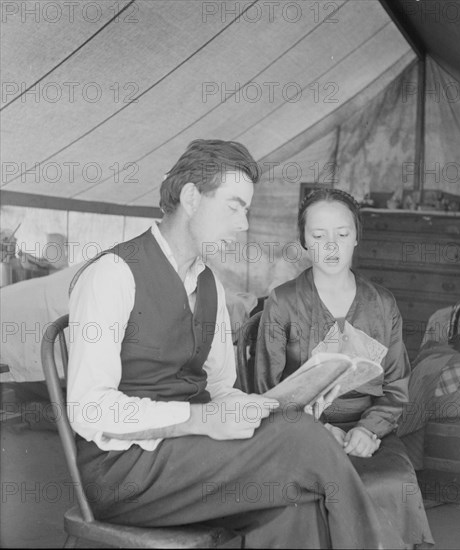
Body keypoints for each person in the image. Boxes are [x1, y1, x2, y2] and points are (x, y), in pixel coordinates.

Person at [67, 140, 406, 549]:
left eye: (246, 210)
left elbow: (222, 390)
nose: (243, 223)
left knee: (300, 466)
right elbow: (88, 410)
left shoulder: (209, 283)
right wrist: (200, 420)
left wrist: (279, 404)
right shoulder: (113, 275)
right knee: (302, 443)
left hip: (187, 454)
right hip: (125, 471)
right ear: (191, 197)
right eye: (233, 206)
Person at [255, 188, 434, 547]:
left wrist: (369, 430)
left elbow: (397, 386)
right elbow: (265, 389)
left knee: (393, 482)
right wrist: (315, 431)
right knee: (295, 495)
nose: (331, 245)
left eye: (342, 233)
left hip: (367, 433)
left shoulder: (382, 304)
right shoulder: (283, 301)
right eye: (318, 236)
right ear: (303, 240)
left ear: (357, 237)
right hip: (297, 430)